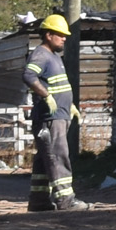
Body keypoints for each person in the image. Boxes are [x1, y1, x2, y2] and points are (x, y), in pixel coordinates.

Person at [24, 14, 77, 213]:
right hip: (50, 118)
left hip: (59, 115)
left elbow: (59, 85)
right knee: (58, 155)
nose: (64, 38)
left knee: (44, 159)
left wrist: (69, 104)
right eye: (60, 35)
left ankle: (38, 201)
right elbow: (28, 75)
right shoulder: (41, 55)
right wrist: (46, 96)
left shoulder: (54, 57)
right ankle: (66, 200)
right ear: (48, 35)